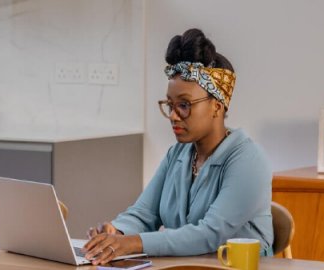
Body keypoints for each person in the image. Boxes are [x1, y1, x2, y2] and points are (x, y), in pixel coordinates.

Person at [82, 28, 273, 265]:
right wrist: (116, 232)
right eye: (170, 105)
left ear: (217, 106)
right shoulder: (179, 154)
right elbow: (145, 213)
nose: (173, 115)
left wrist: (132, 243)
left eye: (184, 105)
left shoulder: (248, 161)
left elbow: (209, 234)